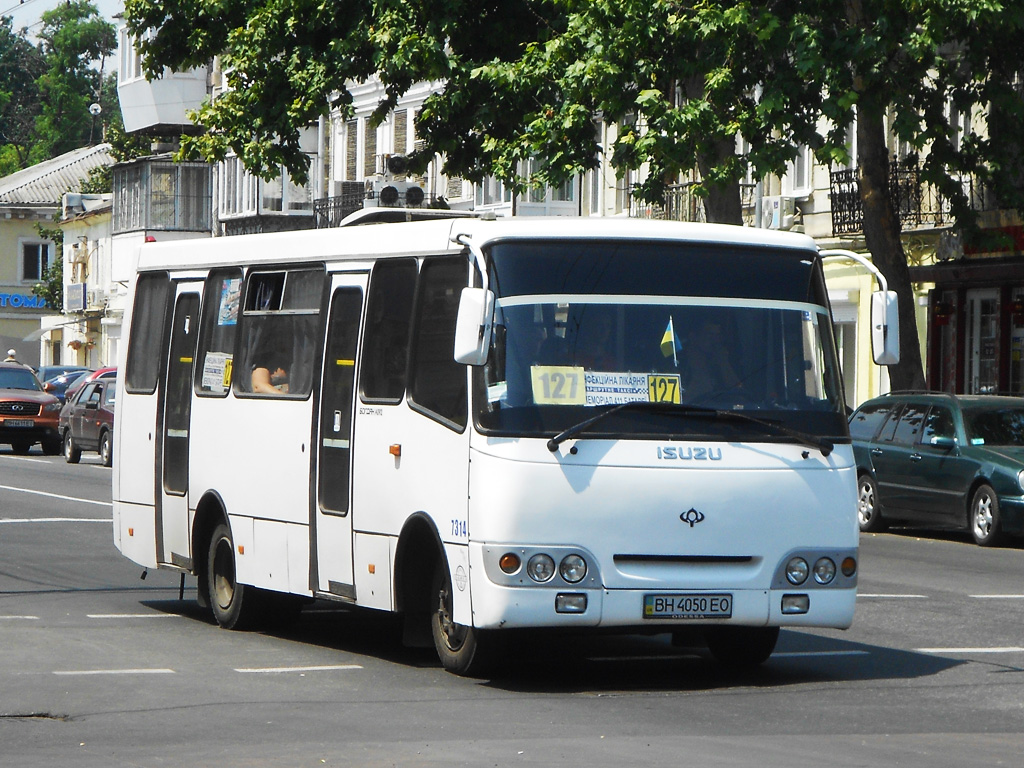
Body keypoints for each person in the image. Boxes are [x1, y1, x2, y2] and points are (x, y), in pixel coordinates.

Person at [682, 318, 741, 400]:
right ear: (693, 337)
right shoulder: (678, 363)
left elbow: (740, 394)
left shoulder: (720, 365)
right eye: (710, 335)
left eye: (718, 336)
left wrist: (724, 363)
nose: (715, 341)